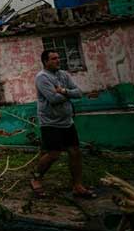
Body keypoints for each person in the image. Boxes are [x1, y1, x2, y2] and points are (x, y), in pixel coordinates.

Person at [30, 50, 96, 199]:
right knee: (53, 154)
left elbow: (79, 93)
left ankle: (77, 186)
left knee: (75, 152)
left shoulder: (64, 75)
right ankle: (36, 178)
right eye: (54, 59)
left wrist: (64, 91)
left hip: (67, 121)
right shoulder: (42, 78)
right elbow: (53, 98)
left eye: (58, 58)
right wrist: (68, 94)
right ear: (45, 62)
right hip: (50, 122)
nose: (58, 60)